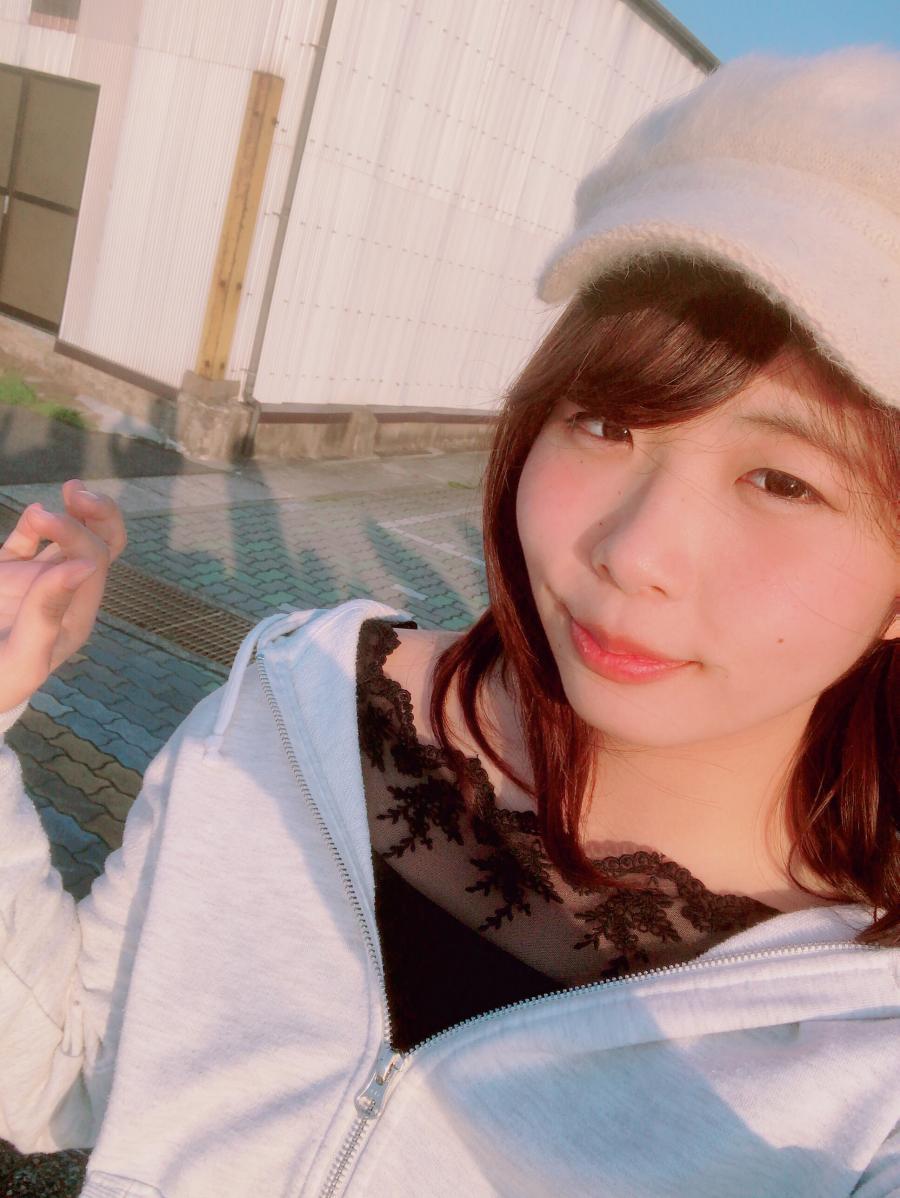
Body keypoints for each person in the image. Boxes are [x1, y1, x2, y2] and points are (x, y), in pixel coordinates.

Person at [0, 45, 897, 1198]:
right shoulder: (299, 695)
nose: (633, 553)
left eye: (783, 481)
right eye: (606, 423)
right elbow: (68, 1068)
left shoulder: (861, 1065)